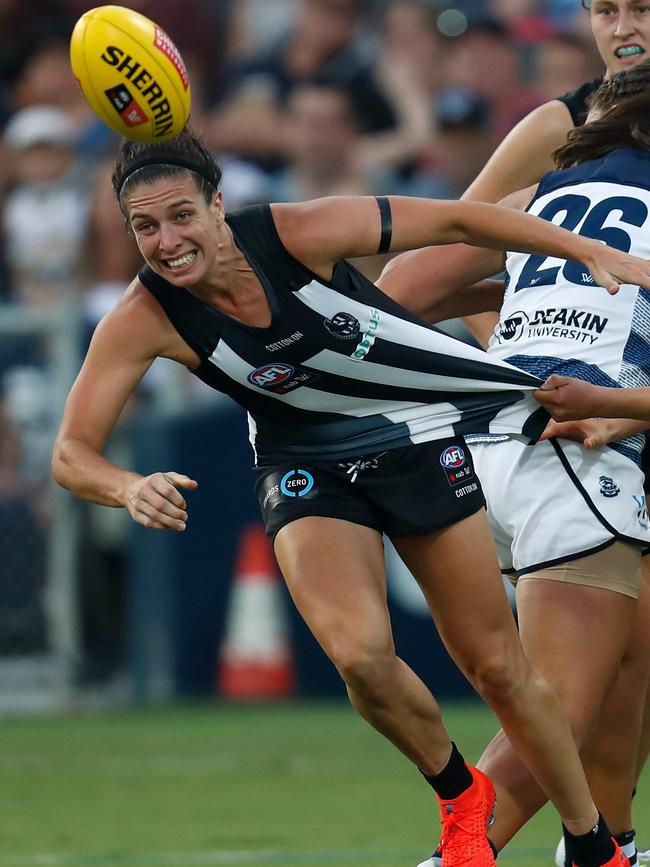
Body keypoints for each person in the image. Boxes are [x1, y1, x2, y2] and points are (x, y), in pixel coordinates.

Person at [51, 131, 650, 867]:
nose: (168, 242)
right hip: (304, 464)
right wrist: (127, 485)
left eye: (181, 216)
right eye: (145, 227)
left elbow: (459, 222)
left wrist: (584, 251)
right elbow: (70, 452)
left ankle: (592, 841)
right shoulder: (144, 316)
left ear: (217, 205)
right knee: (362, 659)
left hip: (413, 432)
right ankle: (462, 795)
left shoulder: (294, 231)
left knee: (498, 668)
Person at [380, 3, 650, 863]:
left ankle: (607, 847)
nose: (623, 23)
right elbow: (431, 268)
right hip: (586, 435)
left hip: (514, 435)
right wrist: (550, 365)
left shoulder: (565, 165)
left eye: (639, 4)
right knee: (569, 696)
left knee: (630, 671)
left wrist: (536, 346)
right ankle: (462, 853)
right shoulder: (556, 126)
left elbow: (422, 275)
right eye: (605, 6)